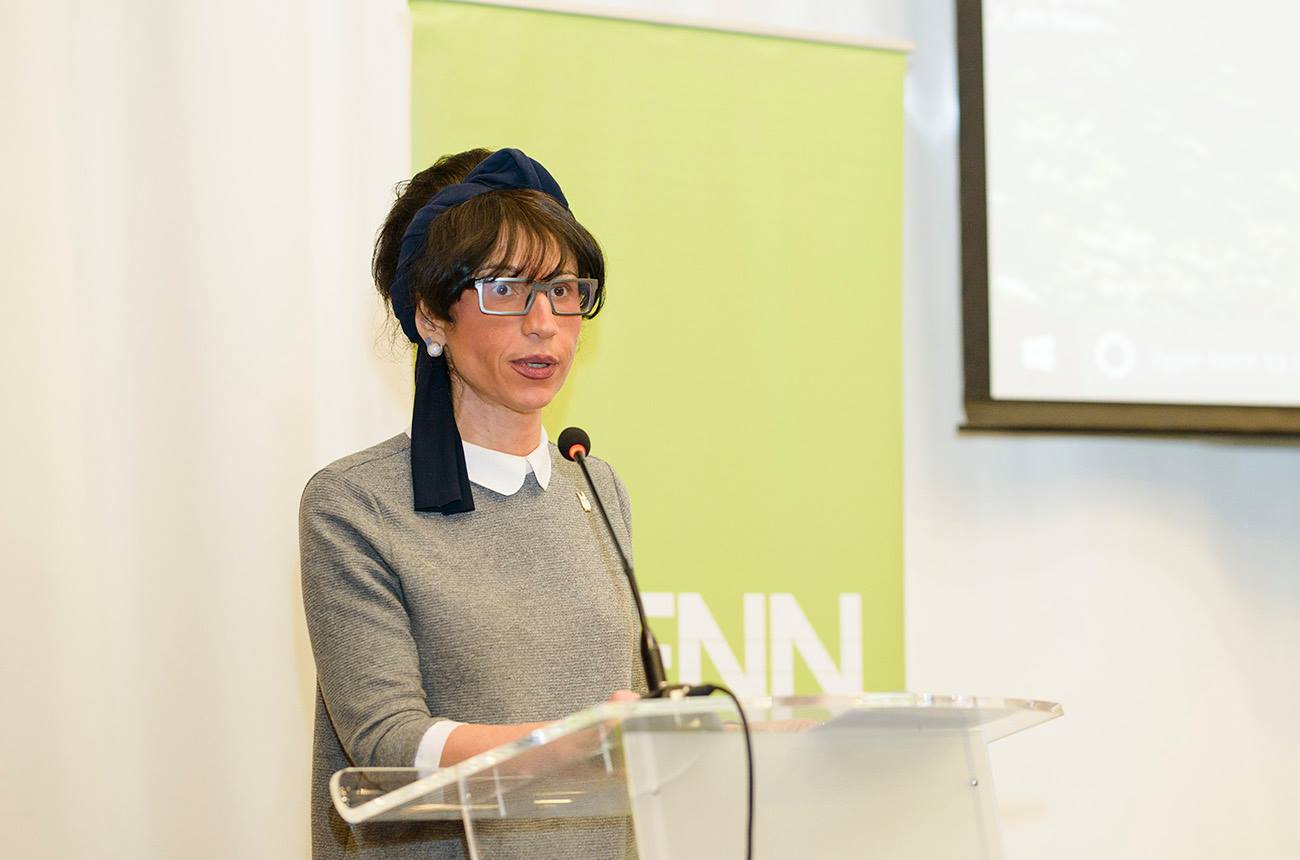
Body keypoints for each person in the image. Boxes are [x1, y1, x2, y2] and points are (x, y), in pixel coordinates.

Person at [299, 148, 645, 859]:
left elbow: (630, 727)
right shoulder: (356, 504)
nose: (543, 321)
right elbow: (386, 743)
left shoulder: (596, 487)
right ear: (432, 316)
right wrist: (567, 746)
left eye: (563, 289)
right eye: (505, 288)